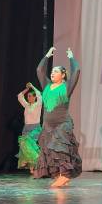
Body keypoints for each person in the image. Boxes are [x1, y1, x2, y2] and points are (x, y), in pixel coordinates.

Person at [34, 47, 82, 187]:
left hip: (61, 124)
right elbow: (39, 71)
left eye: (56, 71)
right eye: (52, 71)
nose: (52, 73)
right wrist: (46, 56)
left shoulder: (66, 87)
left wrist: (71, 58)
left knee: (61, 149)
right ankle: (58, 175)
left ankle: (65, 175)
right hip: (48, 126)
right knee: (50, 151)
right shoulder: (47, 86)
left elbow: (76, 71)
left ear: (63, 75)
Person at [17, 82, 42, 174]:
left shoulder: (38, 105)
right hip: (26, 127)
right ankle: (32, 168)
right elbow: (19, 96)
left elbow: (39, 94)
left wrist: (32, 87)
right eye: (28, 96)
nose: (29, 98)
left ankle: (38, 160)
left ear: (35, 97)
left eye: (31, 96)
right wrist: (27, 89)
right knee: (26, 147)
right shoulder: (26, 106)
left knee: (29, 144)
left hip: (35, 128)